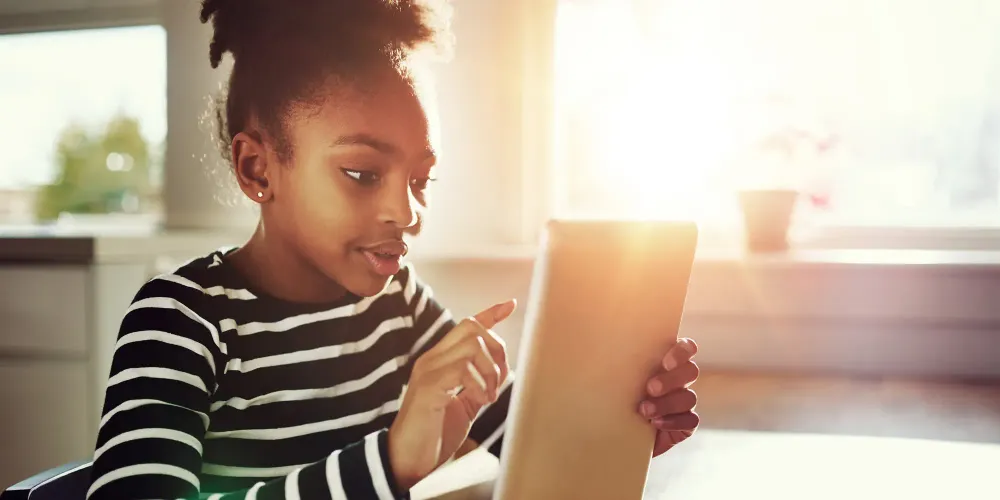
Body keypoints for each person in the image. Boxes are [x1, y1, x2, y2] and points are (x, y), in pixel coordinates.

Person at [85, 1, 701, 498]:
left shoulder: (401, 308)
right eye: (361, 173)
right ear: (258, 169)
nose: (406, 213)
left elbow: (532, 449)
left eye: (420, 180)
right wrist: (386, 464)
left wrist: (624, 420)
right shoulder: (181, 320)